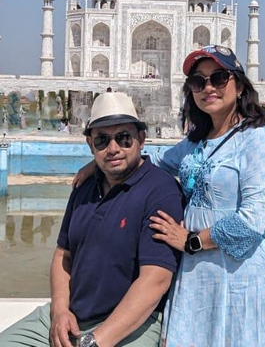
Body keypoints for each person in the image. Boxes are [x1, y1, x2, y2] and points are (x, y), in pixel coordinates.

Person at [76, 45, 265, 346]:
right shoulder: (196, 142)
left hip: (245, 275)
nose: (208, 87)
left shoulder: (256, 141)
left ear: (240, 85)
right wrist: (105, 157)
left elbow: (252, 221)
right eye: (199, 81)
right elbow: (154, 161)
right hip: (200, 273)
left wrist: (191, 240)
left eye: (219, 78)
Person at [0, 92, 184, 347]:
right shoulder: (85, 186)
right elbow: (62, 256)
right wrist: (61, 312)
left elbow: (155, 280)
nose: (113, 149)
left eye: (123, 137)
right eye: (102, 140)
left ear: (141, 139)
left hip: (131, 324)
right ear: (90, 146)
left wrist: (95, 342)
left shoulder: (160, 191)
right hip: (73, 314)